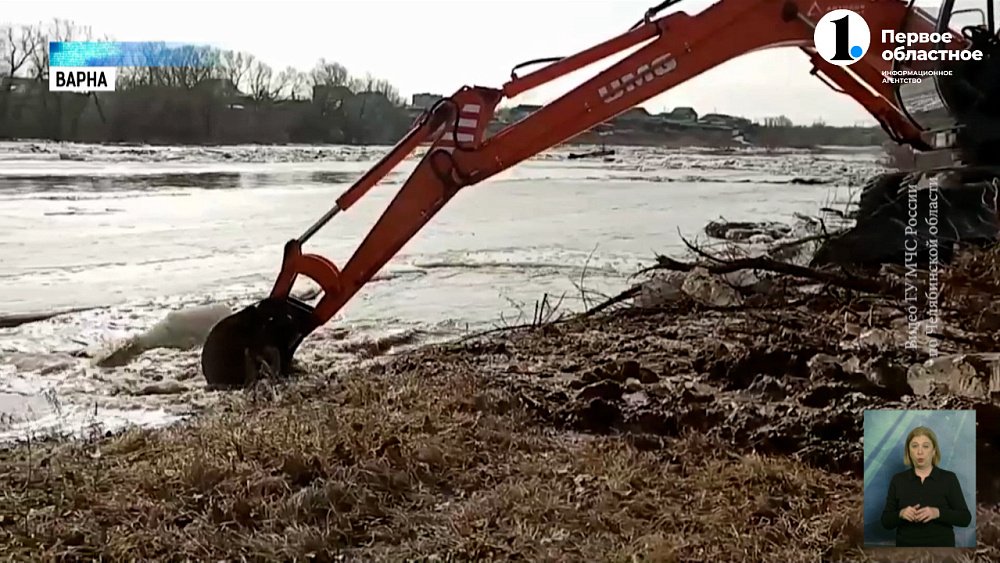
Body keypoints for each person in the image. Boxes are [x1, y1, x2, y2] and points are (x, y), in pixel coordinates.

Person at [880, 426, 973, 547]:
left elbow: (965, 519)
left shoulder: (949, 478)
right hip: (906, 549)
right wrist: (901, 514)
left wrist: (937, 513)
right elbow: (886, 521)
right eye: (914, 446)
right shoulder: (898, 480)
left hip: (941, 550)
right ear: (908, 451)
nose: (920, 452)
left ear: (934, 451)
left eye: (925, 446)